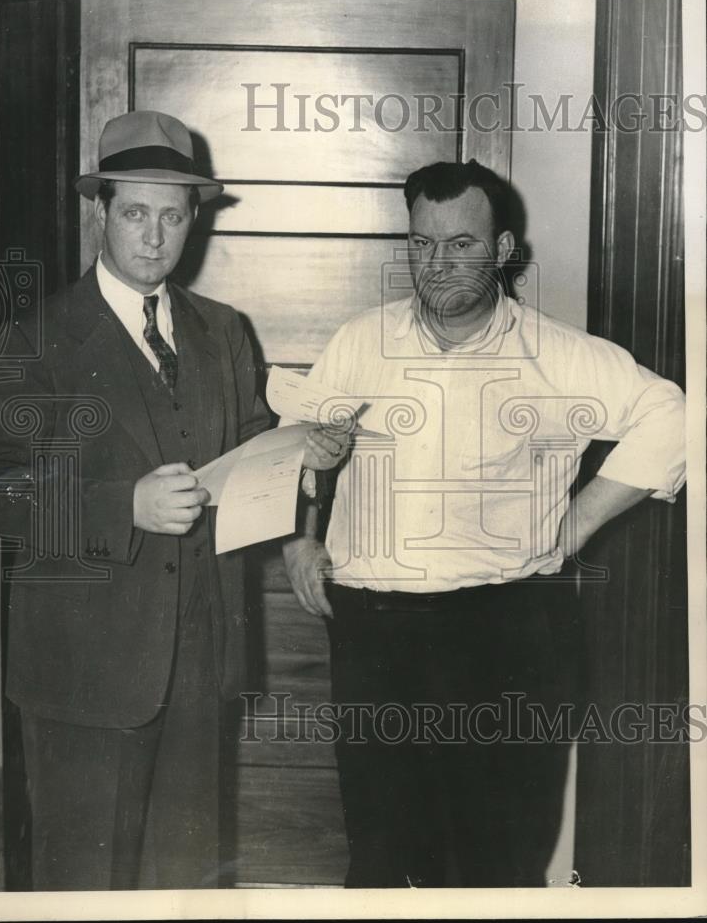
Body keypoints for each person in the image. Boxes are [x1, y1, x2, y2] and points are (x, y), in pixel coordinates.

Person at [282, 159, 686, 887]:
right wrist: (301, 535)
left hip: (506, 635)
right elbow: (301, 445)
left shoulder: (560, 356)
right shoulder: (358, 341)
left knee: (489, 868)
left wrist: (577, 523)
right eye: (421, 244)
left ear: (501, 250)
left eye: (459, 244)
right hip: (374, 635)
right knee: (377, 856)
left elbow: (674, 416)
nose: (436, 265)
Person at [0, 110, 347, 891]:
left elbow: (250, 446)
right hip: (82, 672)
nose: (153, 237)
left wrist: (304, 457)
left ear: (194, 222)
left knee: (183, 882)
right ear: (101, 212)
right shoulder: (34, 339)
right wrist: (123, 504)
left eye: (172, 217)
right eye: (135, 214)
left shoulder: (223, 331)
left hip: (199, 659)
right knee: (85, 881)